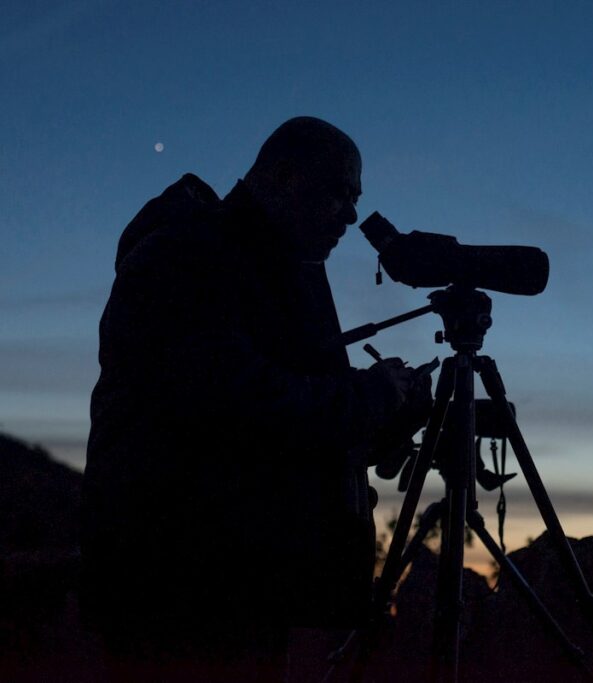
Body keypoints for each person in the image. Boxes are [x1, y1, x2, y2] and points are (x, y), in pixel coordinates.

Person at [81, 117, 432, 681]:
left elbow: (293, 426)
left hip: (242, 578)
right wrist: (366, 395)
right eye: (341, 192)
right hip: (177, 581)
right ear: (285, 177)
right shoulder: (188, 255)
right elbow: (236, 403)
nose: (350, 215)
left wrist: (388, 410)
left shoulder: (269, 268)